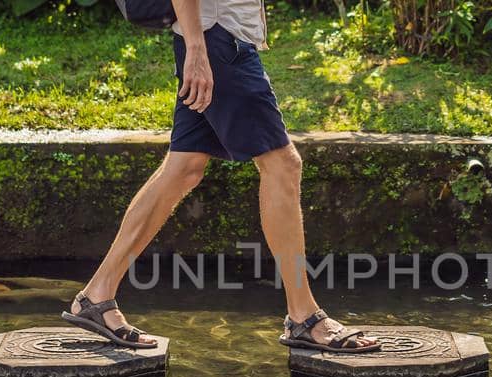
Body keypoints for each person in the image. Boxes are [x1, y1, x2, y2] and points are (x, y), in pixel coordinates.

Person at [61, 0, 379, 353]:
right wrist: (198, 50)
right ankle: (304, 317)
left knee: (184, 168)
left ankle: (96, 295)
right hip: (218, 43)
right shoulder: (211, 44)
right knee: (283, 165)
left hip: (213, 40)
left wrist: (197, 47)